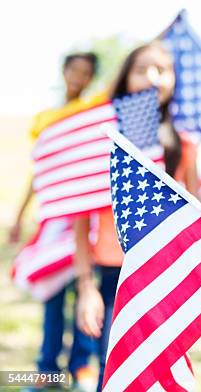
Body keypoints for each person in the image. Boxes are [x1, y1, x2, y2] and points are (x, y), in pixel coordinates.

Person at [72, 41, 199, 391]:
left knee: (159, 375)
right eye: (142, 68)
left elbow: (196, 218)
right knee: (111, 373)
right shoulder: (101, 141)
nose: (153, 77)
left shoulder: (184, 144)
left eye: (163, 69)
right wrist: (86, 287)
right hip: (114, 276)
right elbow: (80, 222)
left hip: (165, 276)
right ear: (126, 77)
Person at [9, 52, 99, 390]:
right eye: (74, 70)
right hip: (54, 219)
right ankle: (46, 368)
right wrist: (19, 217)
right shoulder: (47, 118)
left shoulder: (89, 115)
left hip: (85, 218)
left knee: (86, 291)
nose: (78, 77)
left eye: (86, 72)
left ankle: (81, 367)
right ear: (64, 72)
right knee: (52, 293)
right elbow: (39, 172)